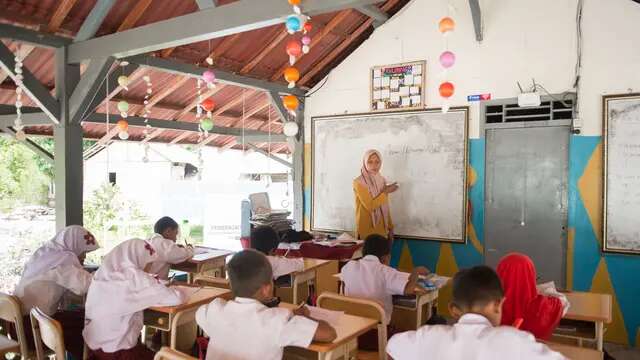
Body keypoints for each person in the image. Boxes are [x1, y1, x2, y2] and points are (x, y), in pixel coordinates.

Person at [386, 266, 565, 360]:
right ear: (498, 304)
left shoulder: (428, 336)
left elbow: (392, 346)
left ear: (453, 310)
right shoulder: (514, 341)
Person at [195, 249, 337, 360]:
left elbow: (201, 313)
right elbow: (329, 334)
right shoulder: (277, 321)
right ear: (267, 289)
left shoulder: (213, 311)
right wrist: (304, 317)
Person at [83, 239, 186, 360]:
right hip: (120, 353)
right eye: (150, 263)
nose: (150, 269)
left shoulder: (103, 273)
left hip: (94, 349)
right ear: (141, 260)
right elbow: (176, 298)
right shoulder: (135, 277)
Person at [14, 225, 99, 359]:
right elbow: (86, 285)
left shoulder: (45, 254)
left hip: (19, 326)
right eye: (83, 251)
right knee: (90, 328)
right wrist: (107, 272)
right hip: (32, 330)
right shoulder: (64, 260)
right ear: (74, 246)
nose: (83, 256)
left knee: (81, 319)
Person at [340, 233, 428, 350]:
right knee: (408, 336)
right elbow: (408, 290)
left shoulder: (348, 267)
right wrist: (415, 272)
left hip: (349, 334)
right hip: (376, 337)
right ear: (385, 257)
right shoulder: (385, 272)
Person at [497, 253, 569, 340]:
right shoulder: (542, 307)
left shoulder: (488, 305)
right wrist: (537, 289)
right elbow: (564, 301)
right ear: (531, 275)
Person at [353, 149, 397, 240]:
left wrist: (390, 227)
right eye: (370, 162)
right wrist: (386, 191)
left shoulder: (382, 180)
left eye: (377, 162)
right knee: (368, 254)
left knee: (383, 254)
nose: (374, 165)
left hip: (382, 230)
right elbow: (370, 205)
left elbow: (385, 206)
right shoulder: (358, 182)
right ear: (365, 163)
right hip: (366, 231)